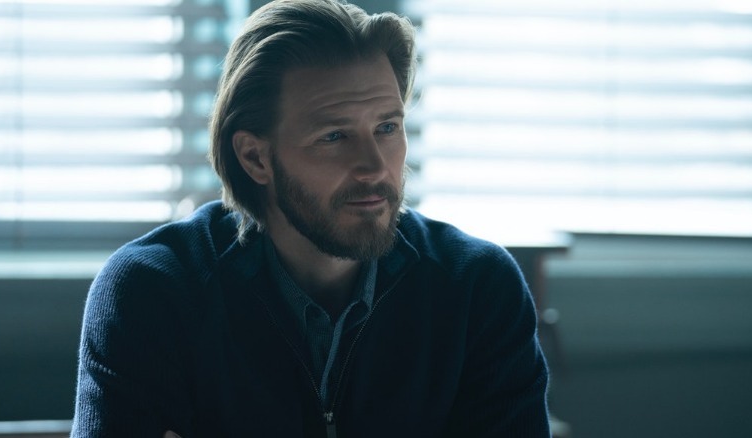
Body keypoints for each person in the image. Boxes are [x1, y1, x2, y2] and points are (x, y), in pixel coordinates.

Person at [71, 0, 550, 436]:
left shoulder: (478, 289)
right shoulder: (152, 293)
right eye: (334, 136)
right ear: (255, 158)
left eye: (387, 127)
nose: (376, 167)